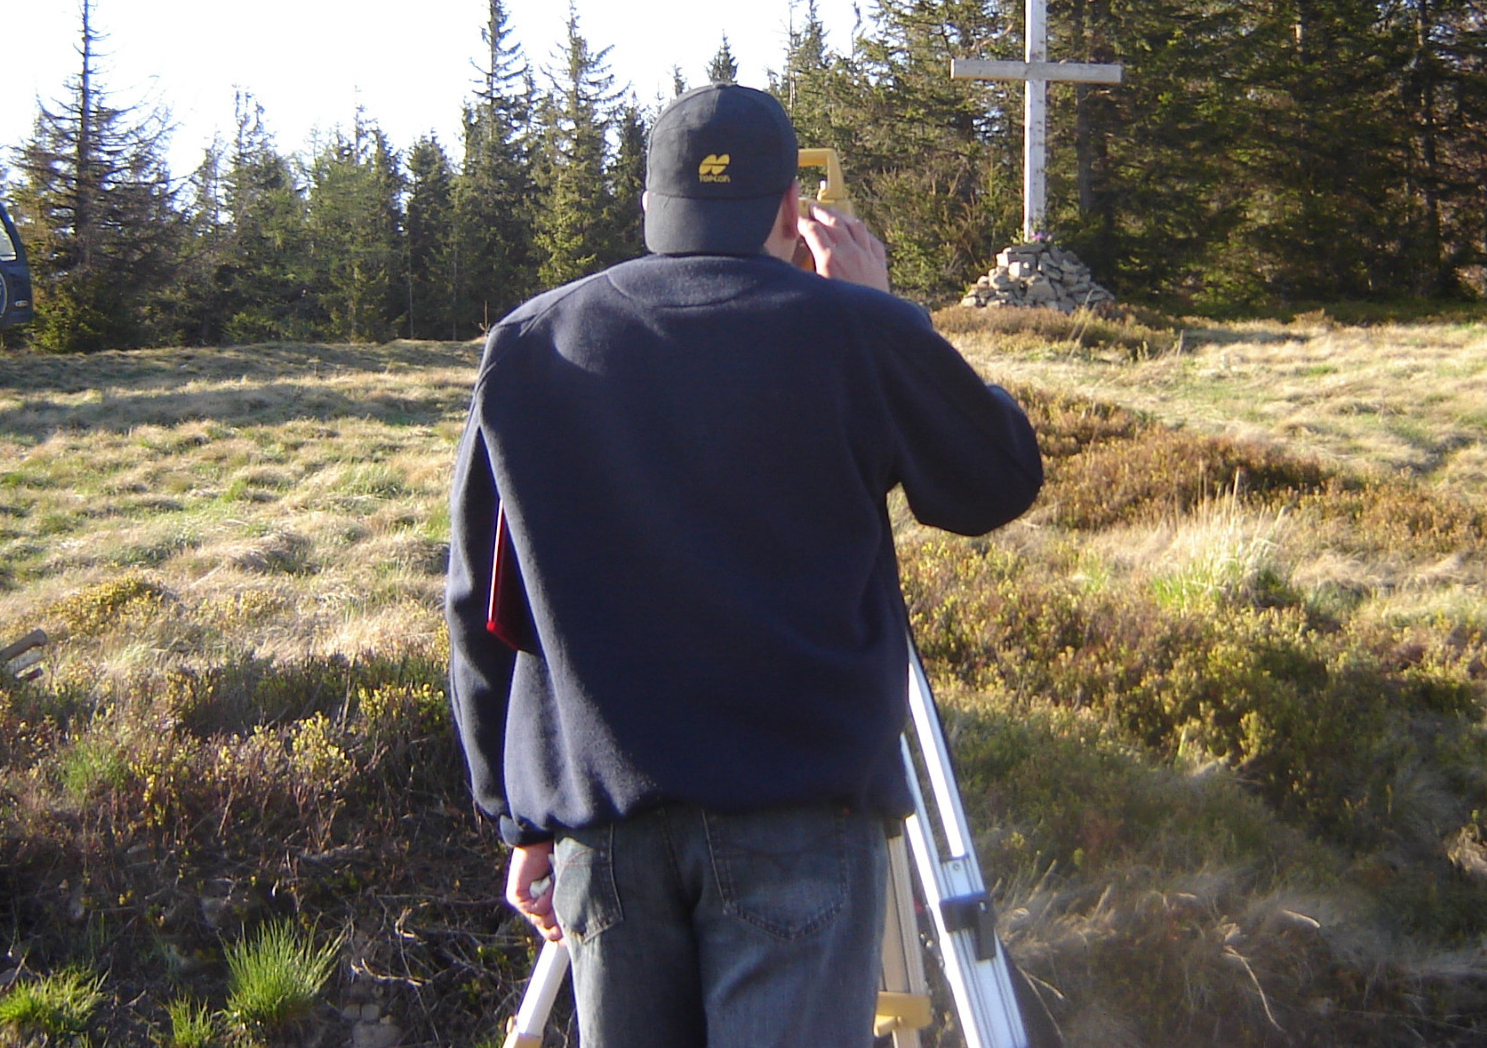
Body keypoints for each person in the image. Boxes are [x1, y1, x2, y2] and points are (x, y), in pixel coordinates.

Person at [446, 83, 1042, 1048]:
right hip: (800, 816)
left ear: (649, 206)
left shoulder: (528, 346)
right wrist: (892, 320)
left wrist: (514, 812)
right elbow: (994, 480)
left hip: (604, 827)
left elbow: (481, 601)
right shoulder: (854, 328)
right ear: (786, 209)